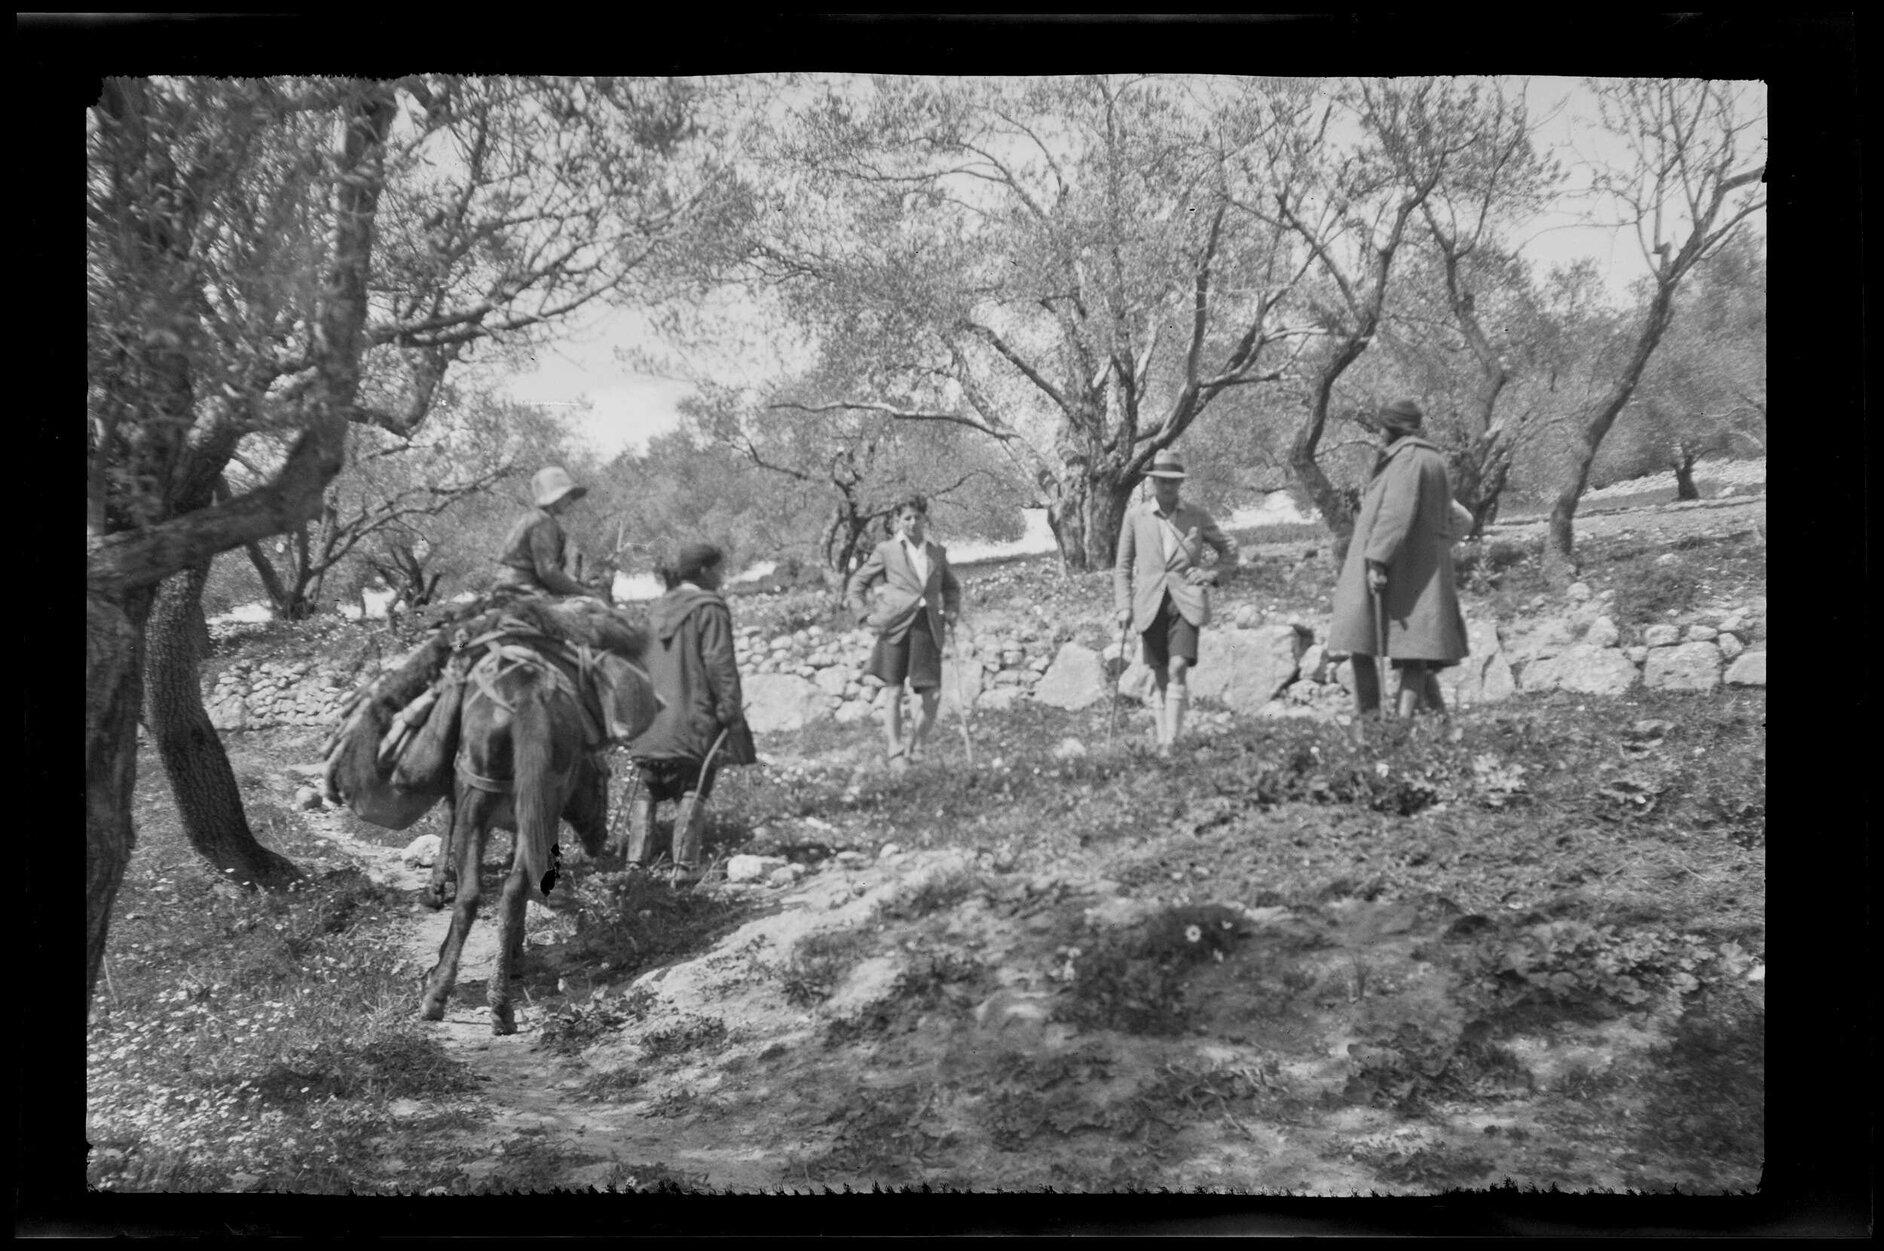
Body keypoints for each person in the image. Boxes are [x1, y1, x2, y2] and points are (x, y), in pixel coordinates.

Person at [1326, 399, 1469, 725]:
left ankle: (1375, 723)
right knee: (1415, 652)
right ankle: (1402, 725)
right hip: (1422, 571)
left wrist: (1378, 561)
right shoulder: (1433, 459)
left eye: (1381, 427)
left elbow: (1395, 513)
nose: (1378, 433)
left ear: (1393, 427)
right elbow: (1452, 516)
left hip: (1396, 570)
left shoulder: (1407, 460)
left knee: (1359, 643)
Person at [624, 543, 756, 885]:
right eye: (719, 569)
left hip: (651, 722)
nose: (722, 577)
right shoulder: (709, 608)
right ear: (703, 571)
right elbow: (719, 663)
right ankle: (684, 867)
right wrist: (729, 711)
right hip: (692, 720)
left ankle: (635, 867)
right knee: (694, 783)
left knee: (647, 787)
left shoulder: (656, 609)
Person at [1113, 448, 1238, 757]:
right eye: (1161, 481)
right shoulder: (1135, 516)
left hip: (1186, 601)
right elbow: (1123, 566)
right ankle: (1163, 739)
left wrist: (1211, 574)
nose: (1167, 487)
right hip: (1149, 603)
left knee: (1178, 666)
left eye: (1173, 482)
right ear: (1153, 482)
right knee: (1159, 673)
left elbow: (1229, 550)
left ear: (1180, 483)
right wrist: (1123, 605)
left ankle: (1173, 741)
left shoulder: (1196, 515)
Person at [845, 494, 962, 771]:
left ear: (925, 519)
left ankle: (917, 745)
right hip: (895, 626)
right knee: (894, 691)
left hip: (927, 626)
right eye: (906, 518)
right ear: (897, 521)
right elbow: (857, 583)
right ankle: (895, 750)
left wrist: (953, 610)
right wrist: (864, 614)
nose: (912, 522)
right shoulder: (887, 550)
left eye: (917, 517)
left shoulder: (937, 551)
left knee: (932, 695)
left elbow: (952, 588)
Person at [494, 466, 600, 598]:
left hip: (508, 585)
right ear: (555, 498)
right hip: (522, 588)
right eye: (567, 496)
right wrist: (584, 592)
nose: (571, 501)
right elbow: (547, 572)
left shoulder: (533, 518)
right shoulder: (543, 522)